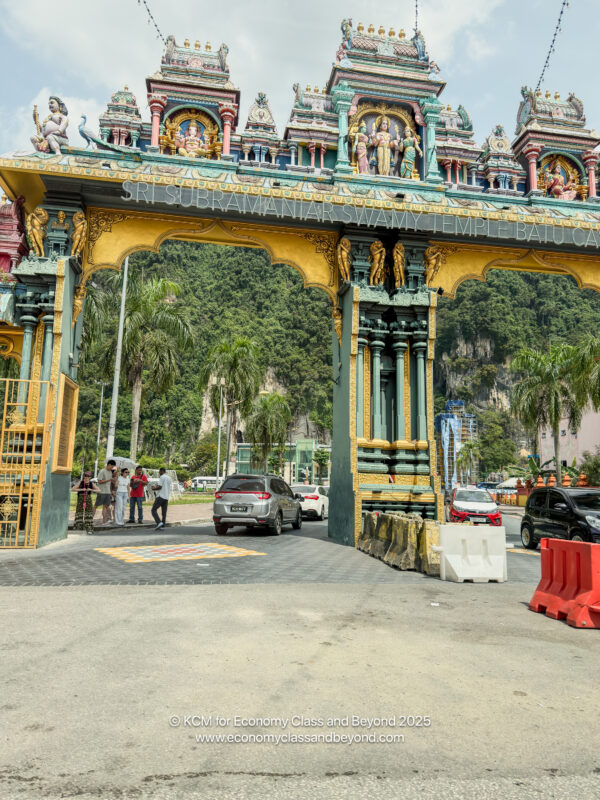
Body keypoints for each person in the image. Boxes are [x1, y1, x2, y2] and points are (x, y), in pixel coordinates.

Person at [94, 459, 116, 525]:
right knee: (96, 506)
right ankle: (90, 519)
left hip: (107, 492)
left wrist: (112, 481)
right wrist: (109, 480)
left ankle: (104, 521)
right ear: (109, 465)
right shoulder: (102, 471)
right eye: (111, 467)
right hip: (101, 491)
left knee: (105, 506)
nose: (112, 468)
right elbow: (99, 481)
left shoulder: (110, 472)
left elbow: (109, 482)